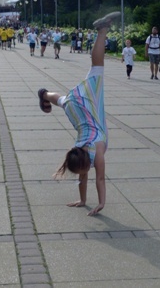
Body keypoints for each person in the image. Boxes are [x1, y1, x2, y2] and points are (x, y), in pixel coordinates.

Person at [36, 11, 120, 216]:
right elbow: (85, 178)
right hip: (75, 112)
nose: (83, 177)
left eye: (82, 172)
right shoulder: (77, 153)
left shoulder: (97, 152)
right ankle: (45, 94)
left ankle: (102, 30)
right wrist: (83, 201)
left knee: (97, 69)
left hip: (87, 107)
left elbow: (99, 179)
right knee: (63, 101)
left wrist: (101, 203)